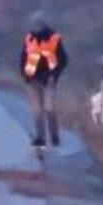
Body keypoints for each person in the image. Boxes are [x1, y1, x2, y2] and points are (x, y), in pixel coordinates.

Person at [21, 12, 69, 156]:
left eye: (37, 24)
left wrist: (55, 76)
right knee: (37, 111)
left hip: (49, 80)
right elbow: (24, 58)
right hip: (32, 81)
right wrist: (25, 75)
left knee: (49, 108)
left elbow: (63, 60)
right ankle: (41, 137)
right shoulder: (29, 38)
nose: (35, 27)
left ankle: (54, 136)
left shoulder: (54, 38)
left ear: (43, 24)